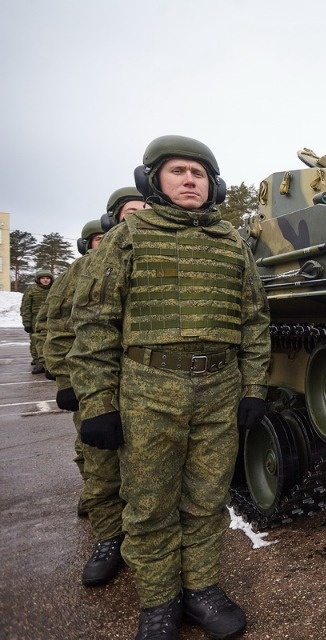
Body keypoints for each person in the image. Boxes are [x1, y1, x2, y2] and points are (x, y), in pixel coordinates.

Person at [70, 136, 271, 640]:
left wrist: (253, 389)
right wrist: (96, 401)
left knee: (206, 498)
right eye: (178, 171)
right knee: (151, 502)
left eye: (199, 174)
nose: (189, 180)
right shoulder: (129, 236)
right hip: (148, 388)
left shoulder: (232, 244)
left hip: (219, 388)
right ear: (153, 180)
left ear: (213, 185)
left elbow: (254, 323)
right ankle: (159, 601)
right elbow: (94, 322)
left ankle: (201, 589)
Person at [46, 218, 131, 586]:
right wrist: (66, 379)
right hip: (95, 380)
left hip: (146, 384)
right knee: (102, 466)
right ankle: (109, 538)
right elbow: (62, 326)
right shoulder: (83, 270)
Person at [20, 269, 54, 374]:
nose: (45, 280)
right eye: (43, 278)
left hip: (51, 318)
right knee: (36, 341)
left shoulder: (54, 289)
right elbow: (26, 307)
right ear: (38, 279)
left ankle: (49, 363)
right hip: (36, 319)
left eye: (47, 278)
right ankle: (39, 363)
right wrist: (26, 323)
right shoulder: (31, 290)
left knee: (50, 341)